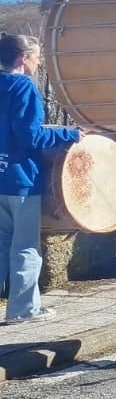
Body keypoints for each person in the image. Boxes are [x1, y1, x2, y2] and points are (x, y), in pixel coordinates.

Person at [0, 33, 79, 324]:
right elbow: (30, 137)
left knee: (1, 244)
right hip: (21, 179)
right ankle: (23, 310)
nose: (38, 63)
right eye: (36, 57)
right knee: (25, 247)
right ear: (23, 59)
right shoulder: (24, 86)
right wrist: (70, 134)